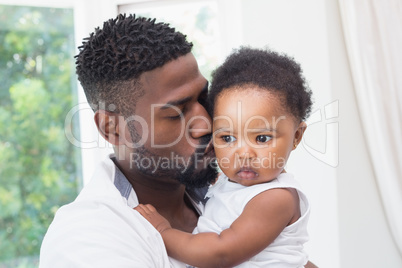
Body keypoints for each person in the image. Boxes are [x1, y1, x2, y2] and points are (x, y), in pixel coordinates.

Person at [40, 14, 317, 268]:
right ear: (112, 128)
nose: (207, 124)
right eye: (177, 112)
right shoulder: (88, 237)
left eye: (203, 98)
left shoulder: (223, 190)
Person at [135, 47, 313, 267]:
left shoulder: (275, 199)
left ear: (296, 136)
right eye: (227, 138)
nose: (244, 154)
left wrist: (163, 232)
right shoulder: (231, 183)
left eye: (262, 138)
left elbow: (220, 253)